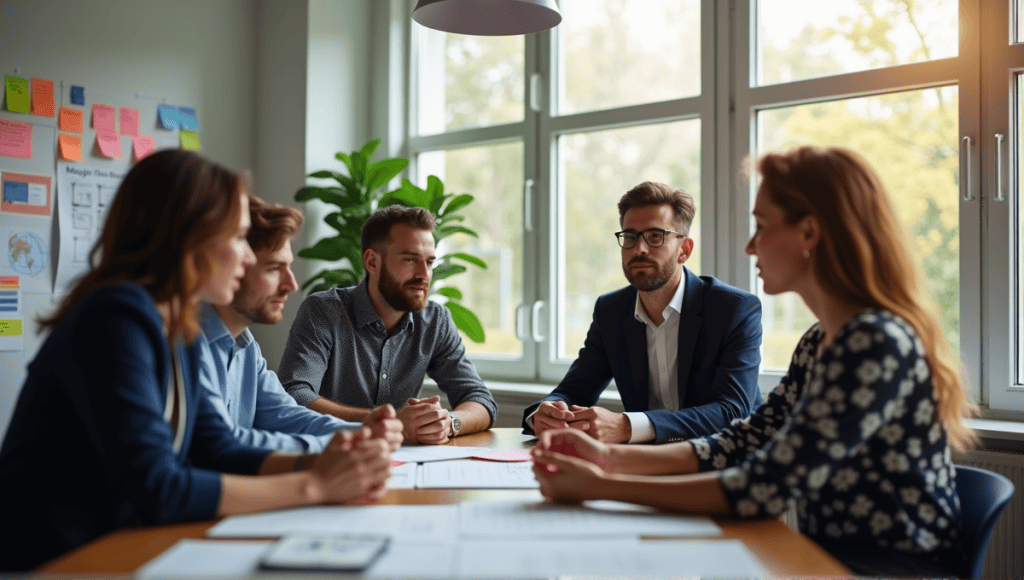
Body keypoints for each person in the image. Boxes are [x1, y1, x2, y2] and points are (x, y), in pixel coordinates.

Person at [530, 146, 978, 576]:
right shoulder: (819, 340)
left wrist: (601, 483)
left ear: (809, 233)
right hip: (821, 558)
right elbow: (746, 439)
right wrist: (608, 457)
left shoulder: (873, 342)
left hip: (890, 571)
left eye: (762, 225)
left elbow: (764, 484)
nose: (750, 246)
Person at [0, 151, 392, 571]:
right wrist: (313, 485)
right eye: (239, 237)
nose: (246, 257)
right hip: (52, 561)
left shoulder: (178, 324)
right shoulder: (115, 315)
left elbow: (215, 448)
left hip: (117, 547)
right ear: (191, 236)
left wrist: (322, 463)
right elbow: (158, 488)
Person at [523, 181, 763, 444]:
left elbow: (731, 411)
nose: (639, 249)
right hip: (645, 461)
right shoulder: (610, 311)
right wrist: (543, 414)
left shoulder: (734, 309)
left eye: (655, 236)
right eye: (630, 236)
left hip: (727, 461)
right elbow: (574, 390)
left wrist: (627, 426)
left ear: (684, 250)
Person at [197, 195, 403, 453]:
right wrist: (345, 442)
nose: (291, 285)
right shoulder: (187, 343)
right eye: (274, 268)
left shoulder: (246, 348)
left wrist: (362, 431)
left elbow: (286, 415)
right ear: (233, 264)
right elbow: (222, 442)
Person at [279, 205, 497, 445]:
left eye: (430, 262)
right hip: (328, 455)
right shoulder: (324, 311)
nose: (424, 274)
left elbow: (480, 399)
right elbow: (294, 395)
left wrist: (450, 422)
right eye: (410, 260)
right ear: (372, 261)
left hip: (401, 464)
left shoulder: (436, 321)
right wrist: (388, 423)